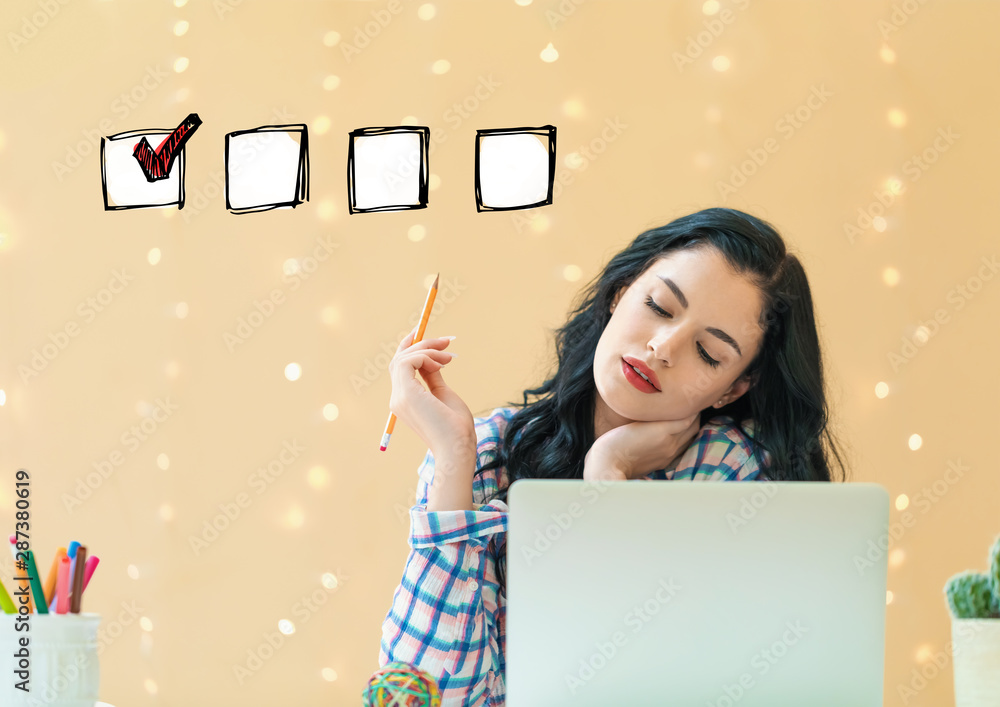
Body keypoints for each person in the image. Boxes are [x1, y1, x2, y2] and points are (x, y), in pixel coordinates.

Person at [377, 207, 849, 706]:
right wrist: (453, 459)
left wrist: (608, 475)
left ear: (732, 389)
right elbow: (422, 697)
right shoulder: (486, 452)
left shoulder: (732, 474)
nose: (663, 347)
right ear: (620, 292)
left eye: (709, 352)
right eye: (660, 306)